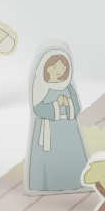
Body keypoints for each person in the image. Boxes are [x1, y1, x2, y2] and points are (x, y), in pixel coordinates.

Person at [25, 44, 89, 193]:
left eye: (62, 67)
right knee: (50, 158)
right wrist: (56, 104)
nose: (59, 71)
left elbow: (76, 106)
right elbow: (38, 108)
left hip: (68, 129)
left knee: (70, 154)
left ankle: (73, 182)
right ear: (46, 68)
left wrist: (68, 104)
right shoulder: (41, 86)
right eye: (54, 68)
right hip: (49, 130)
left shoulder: (68, 86)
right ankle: (47, 185)